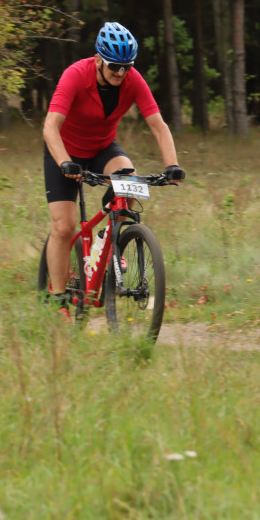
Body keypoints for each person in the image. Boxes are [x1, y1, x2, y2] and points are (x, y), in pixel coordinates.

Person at [42, 21, 185, 315]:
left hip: (101, 148)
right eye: (113, 67)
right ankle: (57, 301)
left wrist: (172, 165)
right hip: (64, 151)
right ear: (97, 60)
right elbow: (50, 126)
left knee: (129, 181)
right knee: (64, 227)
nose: (120, 73)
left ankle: (107, 243)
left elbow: (158, 126)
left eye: (126, 67)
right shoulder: (75, 76)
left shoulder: (133, 80)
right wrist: (64, 162)